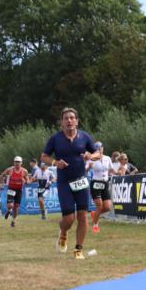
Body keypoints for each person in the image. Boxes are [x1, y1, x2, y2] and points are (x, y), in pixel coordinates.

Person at [41, 107, 101, 259]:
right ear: (62, 122)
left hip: (81, 181)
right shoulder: (56, 139)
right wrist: (55, 162)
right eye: (66, 118)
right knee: (68, 219)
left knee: (83, 216)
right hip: (64, 183)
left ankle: (78, 249)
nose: (69, 120)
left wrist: (90, 156)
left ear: (77, 121)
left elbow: (98, 153)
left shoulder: (84, 137)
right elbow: (44, 156)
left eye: (72, 118)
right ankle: (63, 233)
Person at [86, 141, 114, 233]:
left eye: (100, 148)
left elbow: (111, 169)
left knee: (108, 207)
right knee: (99, 205)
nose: (99, 150)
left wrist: (118, 172)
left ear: (103, 148)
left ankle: (95, 214)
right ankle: (95, 224)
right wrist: (89, 168)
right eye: (97, 148)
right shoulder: (91, 159)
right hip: (95, 184)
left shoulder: (107, 158)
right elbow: (84, 172)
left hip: (105, 183)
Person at [0, 156, 29, 227]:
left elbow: (27, 179)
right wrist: (2, 184)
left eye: (18, 162)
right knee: (10, 205)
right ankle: (9, 211)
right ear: (14, 162)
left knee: (16, 207)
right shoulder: (10, 170)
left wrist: (26, 181)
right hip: (11, 189)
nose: (17, 163)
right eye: (16, 162)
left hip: (19, 190)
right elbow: (2, 175)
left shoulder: (24, 171)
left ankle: (13, 221)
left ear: (21, 163)